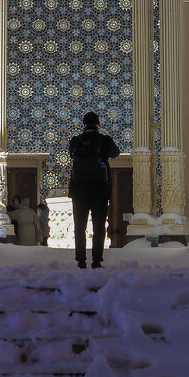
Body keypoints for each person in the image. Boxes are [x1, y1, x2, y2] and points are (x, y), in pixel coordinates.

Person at [68, 111, 120, 269]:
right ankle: (96, 260)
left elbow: (71, 156)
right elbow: (116, 153)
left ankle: (81, 260)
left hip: (79, 190)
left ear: (83, 124)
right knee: (99, 226)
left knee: (80, 226)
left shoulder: (75, 140)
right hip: (99, 190)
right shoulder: (104, 140)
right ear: (98, 124)